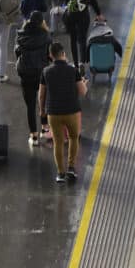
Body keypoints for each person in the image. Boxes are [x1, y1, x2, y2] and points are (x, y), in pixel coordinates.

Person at [39, 42, 88, 182]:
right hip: (72, 111)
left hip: (53, 113)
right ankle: (71, 168)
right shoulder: (73, 71)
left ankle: (60, 173)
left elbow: (41, 94)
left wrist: (42, 110)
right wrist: (83, 83)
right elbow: (83, 92)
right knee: (73, 138)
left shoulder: (46, 72)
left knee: (58, 142)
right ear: (64, 54)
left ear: (50, 55)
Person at [59, 0, 104, 74]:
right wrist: (98, 13)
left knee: (73, 39)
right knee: (82, 39)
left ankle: (75, 65)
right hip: (84, 14)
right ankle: (82, 63)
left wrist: (66, 7)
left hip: (71, 14)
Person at [15, 11, 51, 146]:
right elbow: (50, 54)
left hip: (26, 73)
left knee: (30, 105)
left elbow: (17, 52)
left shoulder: (21, 35)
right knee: (43, 101)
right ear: (42, 22)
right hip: (42, 73)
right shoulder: (46, 36)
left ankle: (34, 137)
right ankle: (45, 128)